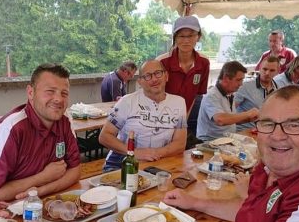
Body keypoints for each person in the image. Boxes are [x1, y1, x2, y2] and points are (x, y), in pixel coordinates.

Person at [111, 85, 299, 222]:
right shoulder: (267, 169)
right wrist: (194, 202)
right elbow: (250, 210)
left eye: (294, 125)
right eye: (268, 123)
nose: (277, 135)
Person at [0, 63, 81, 205]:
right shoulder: (11, 129)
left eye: (64, 93)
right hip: (6, 212)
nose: (58, 99)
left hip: (45, 204)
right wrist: (42, 178)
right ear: (31, 93)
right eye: (50, 91)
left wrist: (40, 191)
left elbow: (75, 171)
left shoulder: (64, 120)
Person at [99, 59, 187, 171]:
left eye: (158, 73)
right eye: (147, 76)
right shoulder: (127, 101)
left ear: (166, 76)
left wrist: (153, 153)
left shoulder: (179, 103)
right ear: (140, 82)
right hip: (122, 164)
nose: (154, 79)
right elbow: (104, 136)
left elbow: (180, 144)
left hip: (160, 163)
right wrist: (135, 153)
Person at [157, 16, 209, 146]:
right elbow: (153, 95)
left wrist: (183, 120)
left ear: (198, 36)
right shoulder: (162, 62)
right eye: (181, 36)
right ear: (175, 38)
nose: (186, 40)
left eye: (191, 35)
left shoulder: (203, 63)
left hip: (182, 120)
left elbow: (195, 95)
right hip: (158, 120)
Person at [196, 61, 259, 141]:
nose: (241, 84)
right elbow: (220, 120)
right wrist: (248, 114)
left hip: (226, 140)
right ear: (226, 78)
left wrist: (250, 119)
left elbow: (231, 120)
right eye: (238, 80)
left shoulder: (229, 94)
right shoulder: (212, 95)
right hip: (209, 143)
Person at [235, 56, 280, 131]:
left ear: (278, 71)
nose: (267, 73)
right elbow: (229, 111)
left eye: (272, 70)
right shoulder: (244, 86)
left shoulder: (278, 89)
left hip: (266, 131)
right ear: (259, 68)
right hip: (244, 132)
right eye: (265, 69)